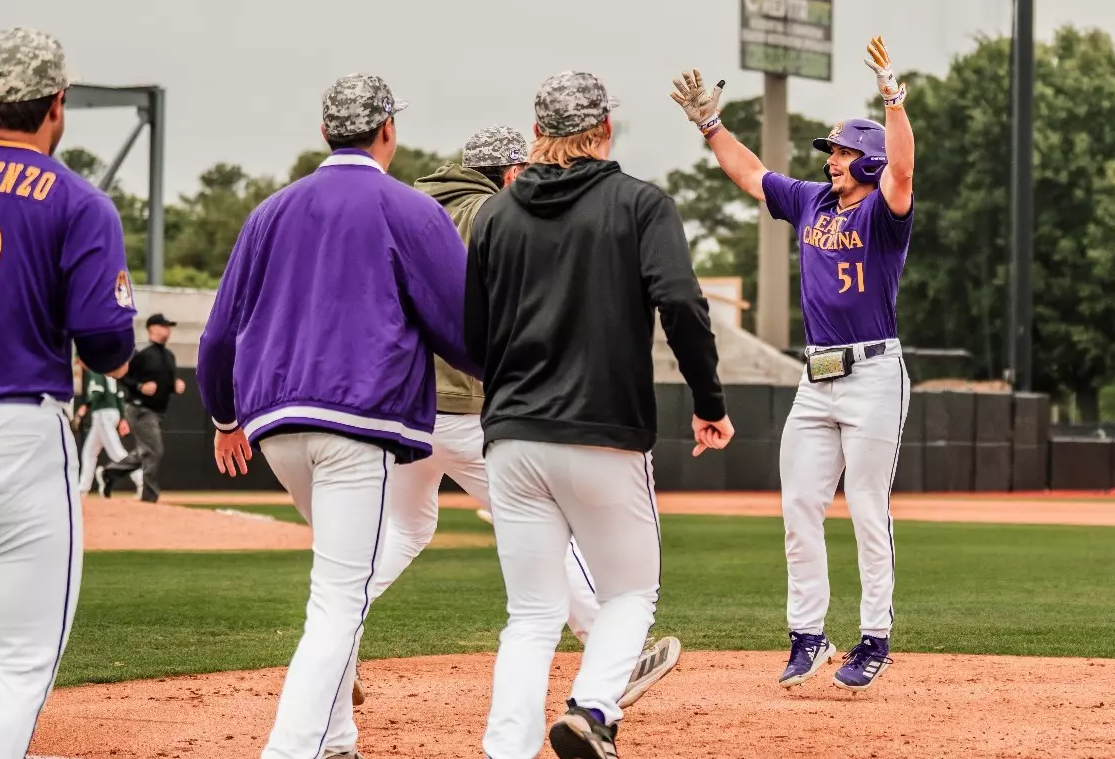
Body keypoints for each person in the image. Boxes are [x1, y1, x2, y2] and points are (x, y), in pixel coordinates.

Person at [341, 125, 684, 714]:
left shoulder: (408, 208)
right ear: (510, 172)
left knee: (404, 529)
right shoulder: (496, 213)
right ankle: (614, 655)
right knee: (545, 529)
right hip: (472, 408)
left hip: (404, 409)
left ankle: (337, 637)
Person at [196, 72, 478, 759]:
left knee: (339, 582)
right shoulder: (408, 208)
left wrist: (224, 418)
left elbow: (218, 336)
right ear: (387, 129)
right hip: (357, 422)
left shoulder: (268, 212)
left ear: (325, 131)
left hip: (272, 425)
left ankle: (337, 738)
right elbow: (464, 327)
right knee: (338, 600)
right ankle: (290, 748)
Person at [469, 71, 734, 759]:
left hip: (511, 436)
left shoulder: (495, 216)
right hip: (605, 429)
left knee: (531, 614)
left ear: (538, 132)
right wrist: (709, 402)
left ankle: (506, 749)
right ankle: (591, 710)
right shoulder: (640, 204)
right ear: (605, 128)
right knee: (630, 593)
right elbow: (682, 303)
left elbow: (472, 332)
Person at [670, 36, 915, 691]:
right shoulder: (811, 201)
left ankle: (874, 639)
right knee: (799, 507)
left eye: (841, 152)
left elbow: (903, 171)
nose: (830, 160)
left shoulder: (885, 212)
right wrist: (710, 126)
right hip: (816, 378)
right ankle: (808, 635)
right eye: (831, 152)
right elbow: (751, 174)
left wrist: (892, 99)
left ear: (868, 161)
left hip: (873, 374)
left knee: (868, 509)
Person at [0, 28, 136, 757]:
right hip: (11, 428)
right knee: (16, 668)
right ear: (57, 103)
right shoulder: (77, 201)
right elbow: (106, 342)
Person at [101, 313, 184, 501]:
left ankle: (111, 472)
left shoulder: (169, 355)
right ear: (152, 328)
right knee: (155, 451)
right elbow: (121, 375)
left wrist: (175, 385)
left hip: (158, 411)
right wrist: (139, 387)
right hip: (140, 409)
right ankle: (149, 497)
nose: (168, 330)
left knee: (146, 452)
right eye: (164, 326)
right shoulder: (141, 352)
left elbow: (167, 381)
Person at [75, 360, 144, 496]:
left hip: (103, 413)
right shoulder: (106, 369)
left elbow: (97, 392)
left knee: (117, 453)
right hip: (110, 413)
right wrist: (122, 418)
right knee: (89, 452)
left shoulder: (95, 370)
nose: (79, 364)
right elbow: (119, 395)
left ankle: (142, 481)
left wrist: (85, 406)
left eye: (79, 360)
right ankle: (83, 488)